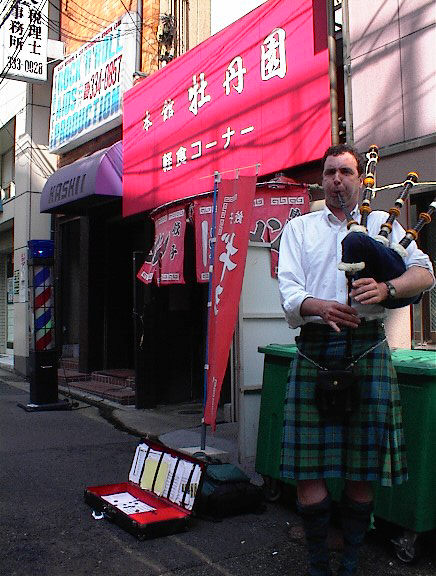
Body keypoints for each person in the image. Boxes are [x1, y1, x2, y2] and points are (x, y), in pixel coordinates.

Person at [277, 143, 435, 576]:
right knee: (308, 471)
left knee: (362, 467)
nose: (337, 180)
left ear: (361, 179)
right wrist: (319, 306)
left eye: (346, 172)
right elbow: (289, 292)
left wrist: (387, 290)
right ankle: (317, 563)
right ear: (322, 179)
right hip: (314, 347)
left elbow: (424, 272)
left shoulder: (384, 224)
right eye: (330, 173)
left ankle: (348, 562)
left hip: (367, 346)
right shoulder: (300, 229)